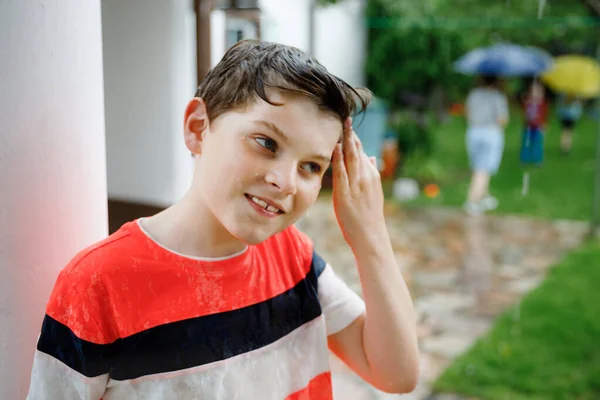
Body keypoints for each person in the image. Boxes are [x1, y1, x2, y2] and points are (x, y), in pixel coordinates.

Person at [27, 40, 419, 399]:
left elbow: (397, 374)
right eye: (266, 143)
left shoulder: (294, 259)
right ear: (199, 127)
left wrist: (370, 235)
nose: (284, 182)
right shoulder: (97, 284)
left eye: (311, 166)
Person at [463, 75, 509, 216]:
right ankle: (472, 201)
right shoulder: (498, 97)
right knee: (483, 169)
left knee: (477, 167)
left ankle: (484, 196)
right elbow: (502, 119)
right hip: (490, 133)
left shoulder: (473, 94)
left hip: (473, 132)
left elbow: (467, 113)